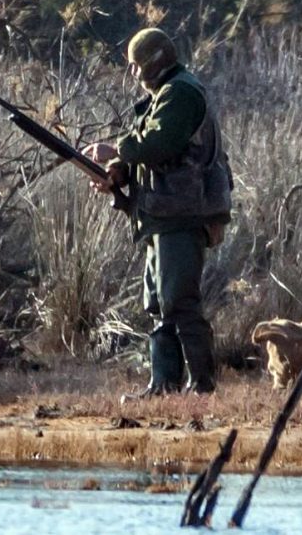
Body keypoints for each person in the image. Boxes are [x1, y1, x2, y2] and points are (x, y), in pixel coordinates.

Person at [84, 27, 232, 399]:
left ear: (155, 61)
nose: (134, 74)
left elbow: (160, 142)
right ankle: (163, 385)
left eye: (136, 66)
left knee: (178, 300)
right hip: (163, 214)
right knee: (159, 303)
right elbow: (157, 155)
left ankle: (201, 385)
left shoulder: (181, 92)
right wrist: (119, 171)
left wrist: (114, 149)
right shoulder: (166, 95)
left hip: (184, 214)